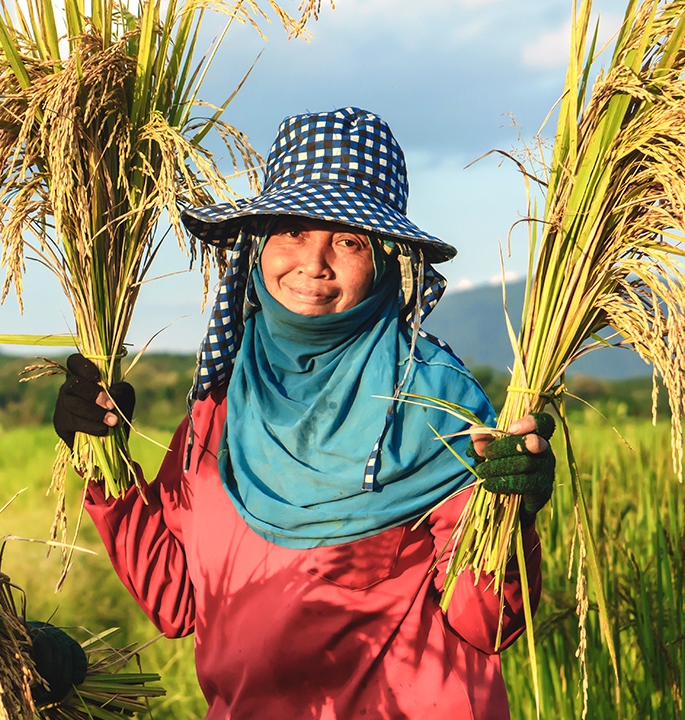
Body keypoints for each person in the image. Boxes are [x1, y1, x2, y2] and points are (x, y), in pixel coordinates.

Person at [53, 107, 556, 719]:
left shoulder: (435, 406)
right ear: (258, 245)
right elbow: (177, 601)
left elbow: (485, 624)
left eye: (348, 240)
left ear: (386, 261)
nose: (314, 262)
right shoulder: (220, 409)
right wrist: (104, 460)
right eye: (292, 231)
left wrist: (511, 515)